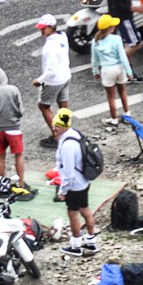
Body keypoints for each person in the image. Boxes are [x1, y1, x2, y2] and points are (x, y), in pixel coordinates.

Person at [52, 110, 98, 257]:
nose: (54, 128)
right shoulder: (75, 134)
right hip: (84, 181)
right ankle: (92, 241)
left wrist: (62, 191)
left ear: (64, 126)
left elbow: (69, 174)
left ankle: (76, 245)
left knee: (73, 214)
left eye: (58, 126)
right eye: (54, 124)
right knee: (85, 209)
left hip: (75, 186)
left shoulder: (67, 147)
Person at [0, 67, 27, 194]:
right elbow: (21, 111)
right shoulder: (13, 89)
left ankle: (1, 182)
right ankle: (21, 183)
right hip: (14, 128)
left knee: (1, 156)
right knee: (18, 154)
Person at [33, 15, 72, 141]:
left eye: (43, 28)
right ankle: (66, 131)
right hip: (66, 75)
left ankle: (57, 135)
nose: (41, 31)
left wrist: (39, 80)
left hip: (54, 81)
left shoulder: (49, 47)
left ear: (51, 27)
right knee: (63, 105)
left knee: (44, 106)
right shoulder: (63, 36)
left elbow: (51, 70)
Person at [90, 14, 133, 121]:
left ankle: (114, 119)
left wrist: (95, 71)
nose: (114, 26)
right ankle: (127, 113)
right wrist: (129, 71)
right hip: (119, 69)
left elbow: (94, 59)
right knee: (122, 91)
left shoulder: (95, 41)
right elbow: (123, 56)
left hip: (107, 71)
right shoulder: (117, 39)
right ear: (109, 28)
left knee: (111, 97)